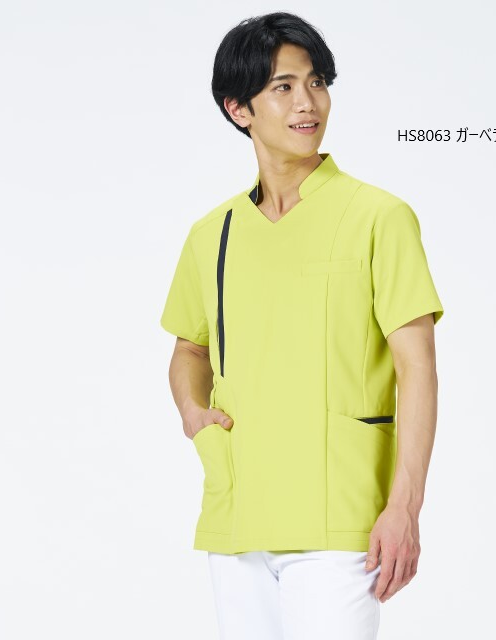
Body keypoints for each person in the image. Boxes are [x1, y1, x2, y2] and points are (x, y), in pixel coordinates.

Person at [160, 11, 445, 640]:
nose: (307, 102)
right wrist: (192, 411)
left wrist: (405, 507)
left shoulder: (379, 217)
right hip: (238, 515)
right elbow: (189, 348)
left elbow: (417, 367)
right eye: (283, 87)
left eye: (317, 82)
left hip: (340, 515)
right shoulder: (213, 234)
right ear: (239, 109)